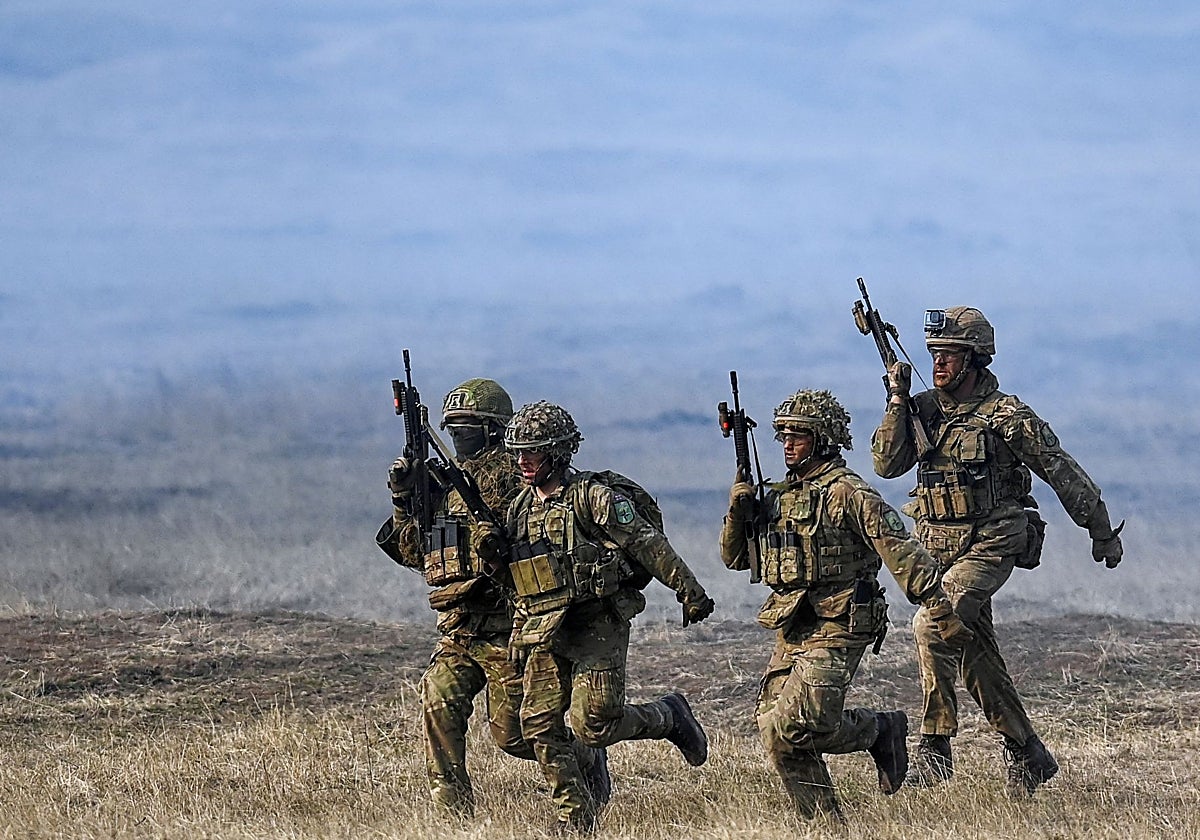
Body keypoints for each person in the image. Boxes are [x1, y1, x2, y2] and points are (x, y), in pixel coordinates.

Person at [871, 306, 1125, 797]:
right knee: (973, 651)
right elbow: (886, 464)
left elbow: (1058, 467)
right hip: (940, 549)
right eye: (934, 355)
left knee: (932, 623)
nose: (939, 364)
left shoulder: (1006, 415)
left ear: (976, 359)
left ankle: (936, 746)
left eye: (950, 355)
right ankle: (1026, 751)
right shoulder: (922, 408)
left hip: (993, 540)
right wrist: (897, 400)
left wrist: (1099, 527)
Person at [720, 388, 965, 821]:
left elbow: (899, 547)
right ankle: (826, 822)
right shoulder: (778, 496)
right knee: (775, 731)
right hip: (794, 623)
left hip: (842, 620)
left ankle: (878, 730)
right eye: (784, 436)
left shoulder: (849, 492)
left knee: (798, 724)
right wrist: (739, 511)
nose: (789, 445)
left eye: (800, 435)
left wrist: (938, 606)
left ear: (824, 439)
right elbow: (736, 559)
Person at [375, 379, 609, 817]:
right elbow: (414, 553)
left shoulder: (515, 479)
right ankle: (453, 814)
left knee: (516, 735)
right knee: (438, 701)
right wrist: (405, 500)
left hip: (508, 626)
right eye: (453, 430)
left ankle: (587, 756)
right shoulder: (445, 480)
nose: (458, 439)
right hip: (460, 628)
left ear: (493, 430)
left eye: (467, 429)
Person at [495, 400, 716, 833]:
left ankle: (669, 716)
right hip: (545, 629)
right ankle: (575, 817)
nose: (522, 461)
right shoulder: (520, 508)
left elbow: (649, 545)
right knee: (537, 724)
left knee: (594, 725)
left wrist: (690, 591)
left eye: (533, 452)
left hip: (597, 623)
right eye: (518, 452)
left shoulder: (594, 498)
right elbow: (522, 579)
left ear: (557, 453)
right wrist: (520, 633)